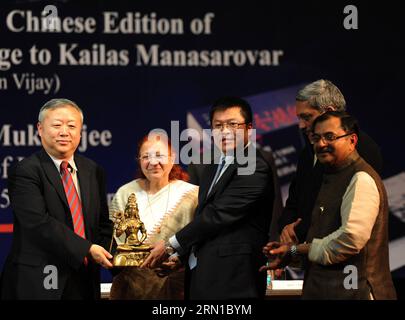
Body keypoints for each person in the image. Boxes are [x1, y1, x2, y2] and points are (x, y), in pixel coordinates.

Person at [143, 96, 275, 299]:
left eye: (233, 124)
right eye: (218, 125)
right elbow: (202, 217)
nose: (225, 131)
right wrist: (181, 257)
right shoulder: (212, 166)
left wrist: (170, 245)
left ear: (249, 128)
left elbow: (217, 215)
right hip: (203, 274)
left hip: (235, 279)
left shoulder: (254, 166)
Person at [261, 111, 396, 299]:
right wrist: (289, 256)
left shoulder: (361, 178)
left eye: (330, 137)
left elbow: (349, 241)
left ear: (352, 140)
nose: (321, 144)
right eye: (316, 138)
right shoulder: (330, 176)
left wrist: (295, 249)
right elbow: (323, 245)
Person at [0, 99, 113, 300]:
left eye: (71, 126)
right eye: (57, 125)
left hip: (84, 280)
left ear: (80, 132)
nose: (64, 132)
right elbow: (38, 223)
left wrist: (119, 258)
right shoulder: (26, 170)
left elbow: (102, 224)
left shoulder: (93, 170)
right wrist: (87, 249)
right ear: (40, 129)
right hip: (40, 281)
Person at [278, 79, 383, 245]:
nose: (301, 125)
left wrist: (297, 234)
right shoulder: (308, 151)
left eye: (306, 117)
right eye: (299, 118)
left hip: (347, 262)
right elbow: (295, 200)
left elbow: (341, 215)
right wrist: (285, 229)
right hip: (312, 257)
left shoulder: (364, 150)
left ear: (328, 112)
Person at [108, 134, 198, 300]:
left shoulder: (191, 194)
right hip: (129, 287)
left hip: (174, 285)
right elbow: (113, 241)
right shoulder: (125, 193)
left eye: (159, 155)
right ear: (139, 160)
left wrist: (178, 259)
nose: (153, 162)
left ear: (172, 158)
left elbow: (199, 239)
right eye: (146, 156)